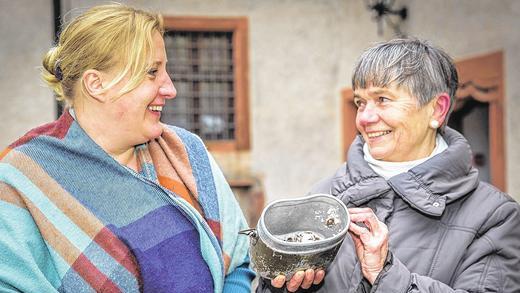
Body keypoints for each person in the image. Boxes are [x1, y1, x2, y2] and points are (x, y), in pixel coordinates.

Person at [0, 4, 255, 292]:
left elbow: (237, 263)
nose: (170, 88)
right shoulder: (20, 180)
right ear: (96, 84)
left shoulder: (185, 152)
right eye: (152, 72)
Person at [258, 38, 520, 292]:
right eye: (361, 102)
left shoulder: (494, 217)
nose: (365, 118)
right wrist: (279, 284)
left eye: (383, 99)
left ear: (437, 110)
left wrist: (386, 275)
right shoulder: (326, 195)